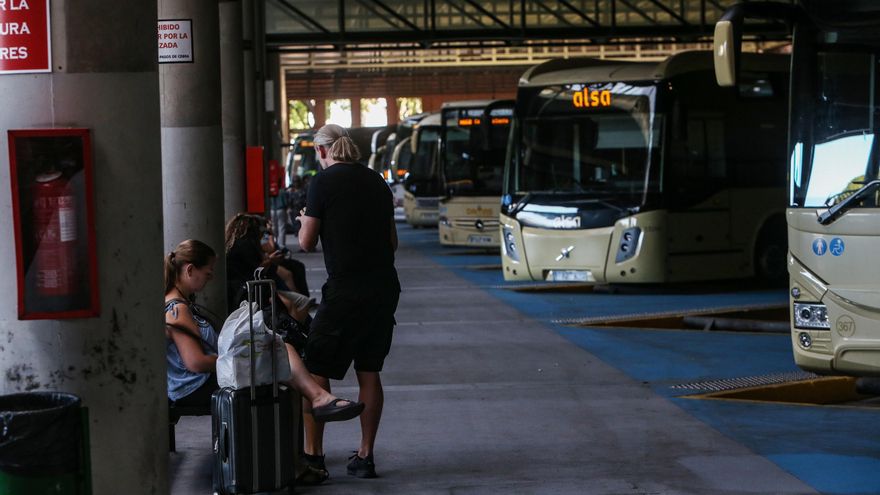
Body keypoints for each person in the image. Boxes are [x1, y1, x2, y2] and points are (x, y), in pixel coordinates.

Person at [298, 124, 401, 479]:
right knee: (368, 370)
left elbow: (307, 242)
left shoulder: (322, 183)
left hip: (345, 290)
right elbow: (392, 243)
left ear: (322, 151)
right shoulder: (376, 181)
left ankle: (314, 456)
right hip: (384, 287)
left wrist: (303, 222)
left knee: (315, 368)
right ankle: (365, 456)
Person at [164, 239, 364, 421]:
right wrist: (239, 358)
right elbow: (195, 362)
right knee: (280, 355)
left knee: (281, 353)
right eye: (207, 273)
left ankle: (318, 401)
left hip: (199, 382)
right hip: (194, 387)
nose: (211, 277)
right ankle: (318, 401)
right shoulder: (178, 310)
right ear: (190, 270)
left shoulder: (181, 305)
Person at [224, 213, 312, 317]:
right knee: (297, 302)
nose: (262, 234)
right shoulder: (245, 246)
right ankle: (297, 329)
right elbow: (258, 268)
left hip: (251, 290)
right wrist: (270, 260)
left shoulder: (234, 244)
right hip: (252, 292)